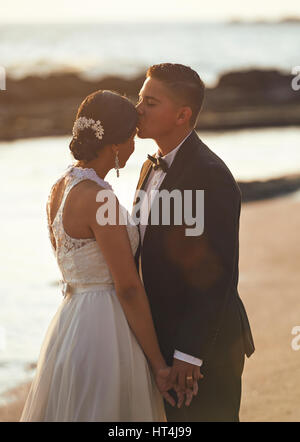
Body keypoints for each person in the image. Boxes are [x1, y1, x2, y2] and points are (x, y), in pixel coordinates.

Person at [20, 90, 184, 422]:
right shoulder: (100, 200)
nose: (135, 145)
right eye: (132, 137)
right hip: (106, 331)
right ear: (116, 145)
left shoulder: (60, 188)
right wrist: (158, 365)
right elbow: (127, 287)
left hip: (70, 325)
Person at [133, 63, 255, 422]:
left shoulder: (210, 175)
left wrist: (189, 353)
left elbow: (216, 275)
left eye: (150, 102)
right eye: (140, 98)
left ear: (182, 115)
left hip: (206, 349)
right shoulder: (148, 167)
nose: (138, 108)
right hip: (162, 341)